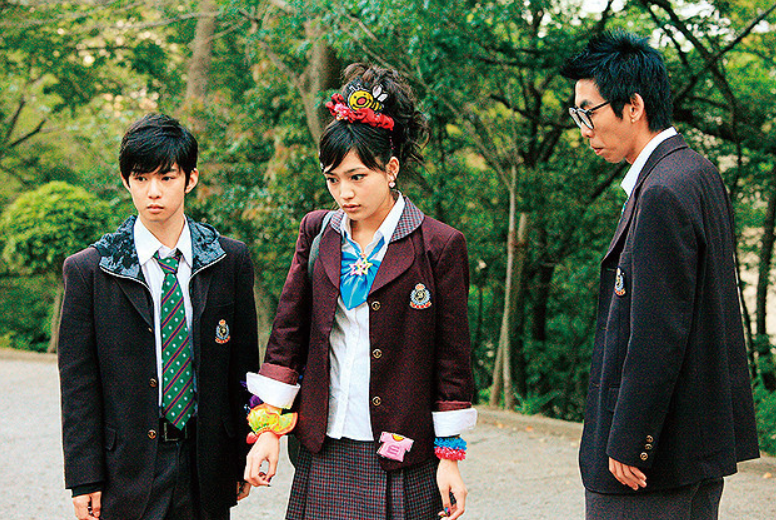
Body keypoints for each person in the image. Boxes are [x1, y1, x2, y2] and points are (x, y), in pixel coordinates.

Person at [242, 64, 477, 520]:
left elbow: (452, 360)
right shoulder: (318, 232)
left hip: (399, 450)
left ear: (390, 169)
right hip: (323, 442)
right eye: (333, 179)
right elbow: (287, 336)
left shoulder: (438, 245)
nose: (344, 193)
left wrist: (450, 459)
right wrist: (268, 429)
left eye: (356, 177)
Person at [560, 31, 760, 519]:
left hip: (651, 465)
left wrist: (632, 438)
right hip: (692, 449)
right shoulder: (695, 171)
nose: (583, 129)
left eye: (588, 112)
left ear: (633, 106)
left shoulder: (662, 191)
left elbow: (658, 330)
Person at [58, 113, 260, 520]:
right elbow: (78, 384)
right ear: (126, 181)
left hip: (205, 461)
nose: (154, 191)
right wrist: (84, 477)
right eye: (141, 178)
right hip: (126, 468)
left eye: (167, 177)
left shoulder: (228, 260)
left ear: (190, 178)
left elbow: (243, 369)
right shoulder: (91, 270)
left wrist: (242, 452)